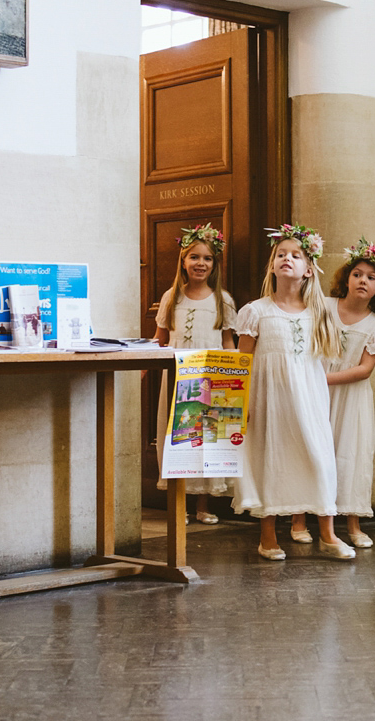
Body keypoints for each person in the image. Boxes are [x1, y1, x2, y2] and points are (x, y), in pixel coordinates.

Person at [232, 224, 355, 560]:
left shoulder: (319, 312)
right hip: (270, 400)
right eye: (281, 254)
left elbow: (321, 358)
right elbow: (242, 363)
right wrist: (240, 405)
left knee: (319, 460)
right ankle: (268, 536)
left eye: (296, 255)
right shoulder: (256, 311)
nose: (287, 258)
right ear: (273, 266)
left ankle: (328, 535)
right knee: (272, 461)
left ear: (308, 270)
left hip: (309, 399)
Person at [308, 237, 375, 548]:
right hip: (315, 395)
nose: (363, 281)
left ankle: (353, 523)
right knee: (311, 451)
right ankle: (298, 519)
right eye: (357, 273)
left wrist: (324, 380)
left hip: (350, 399)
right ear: (346, 277)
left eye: (372, 277)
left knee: (350, 455)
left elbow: (364, 369)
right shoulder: (324, 308)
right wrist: (314, 381)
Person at [155, 223, 236, 524]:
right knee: (179, 437)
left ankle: (204, 505)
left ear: (214, 265)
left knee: (206, 438)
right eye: (194, 257)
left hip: (210, 377)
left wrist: (236, 380)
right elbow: (160, 339)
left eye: (207, 258)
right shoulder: (171, 297)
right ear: (183, 262)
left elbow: (228, 342)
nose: (201, 263)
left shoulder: (222, 300)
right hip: (178, 376)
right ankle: (180, 506)